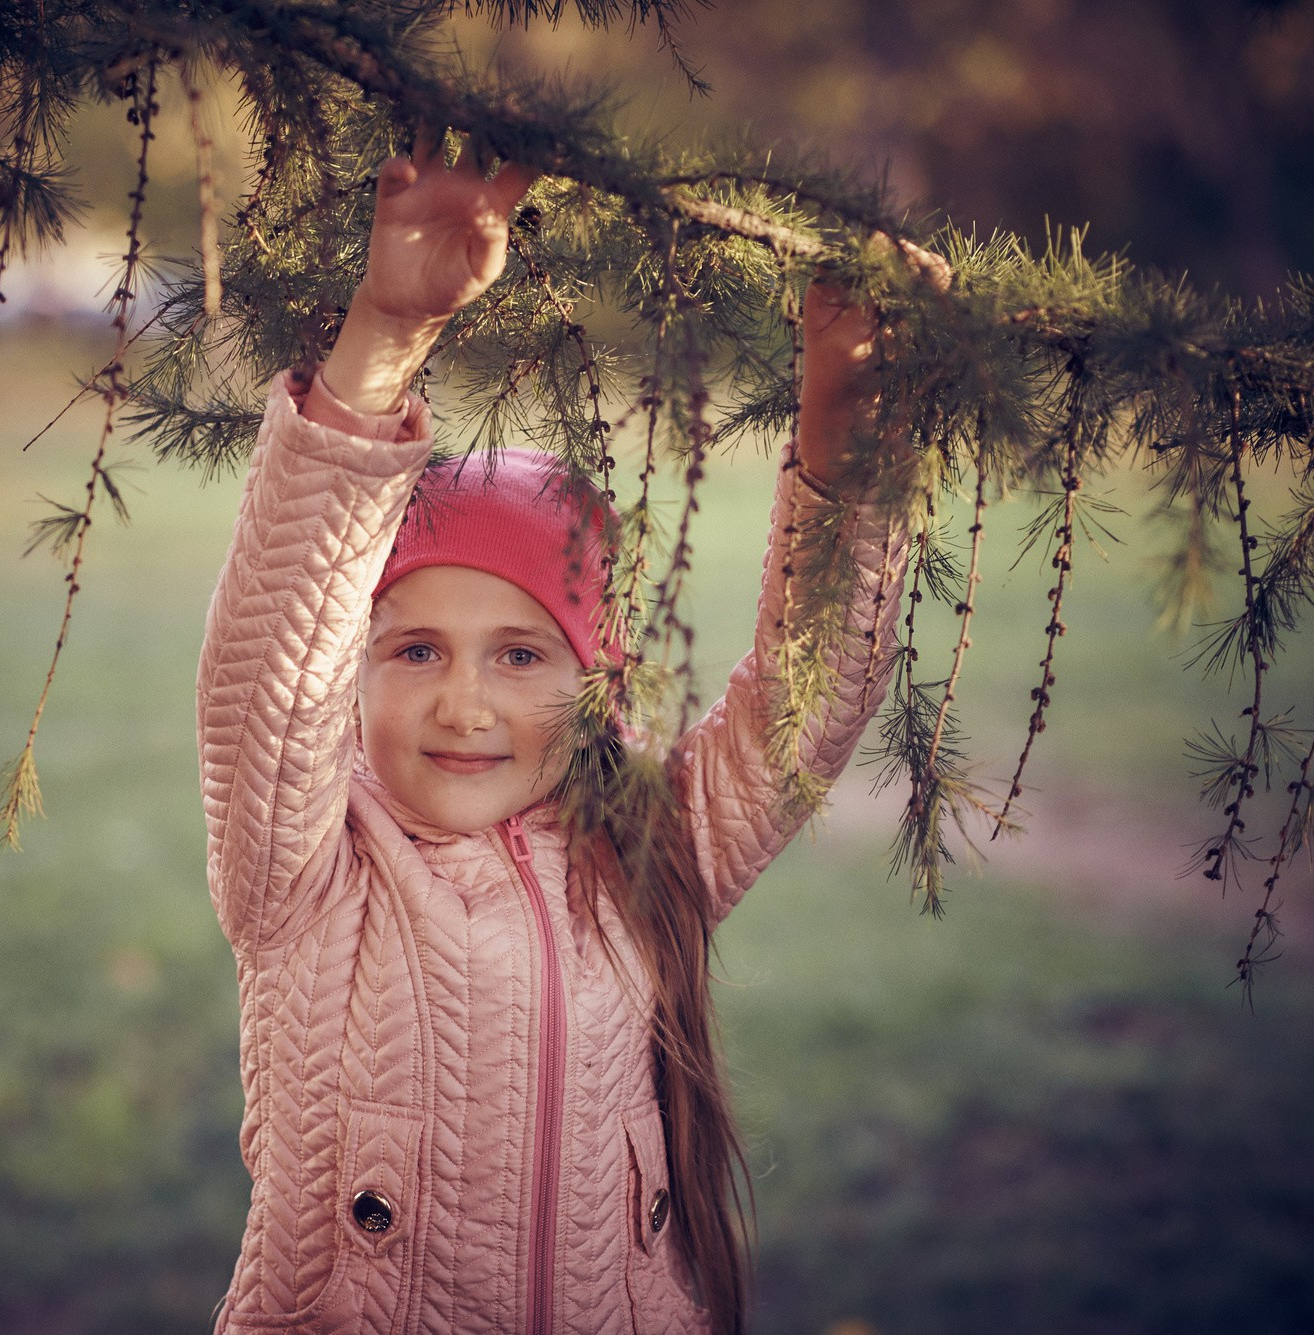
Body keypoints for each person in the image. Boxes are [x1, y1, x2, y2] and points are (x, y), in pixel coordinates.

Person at [196, 126, 912, 1335]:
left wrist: (847, 428)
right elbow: (270, 658)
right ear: (352, 669)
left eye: (520, 656)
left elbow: (810, 701)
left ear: (596, 682)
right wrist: (385, 333)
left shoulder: (646, 851)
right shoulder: (308, 877)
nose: (463, 705)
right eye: (414, 649)